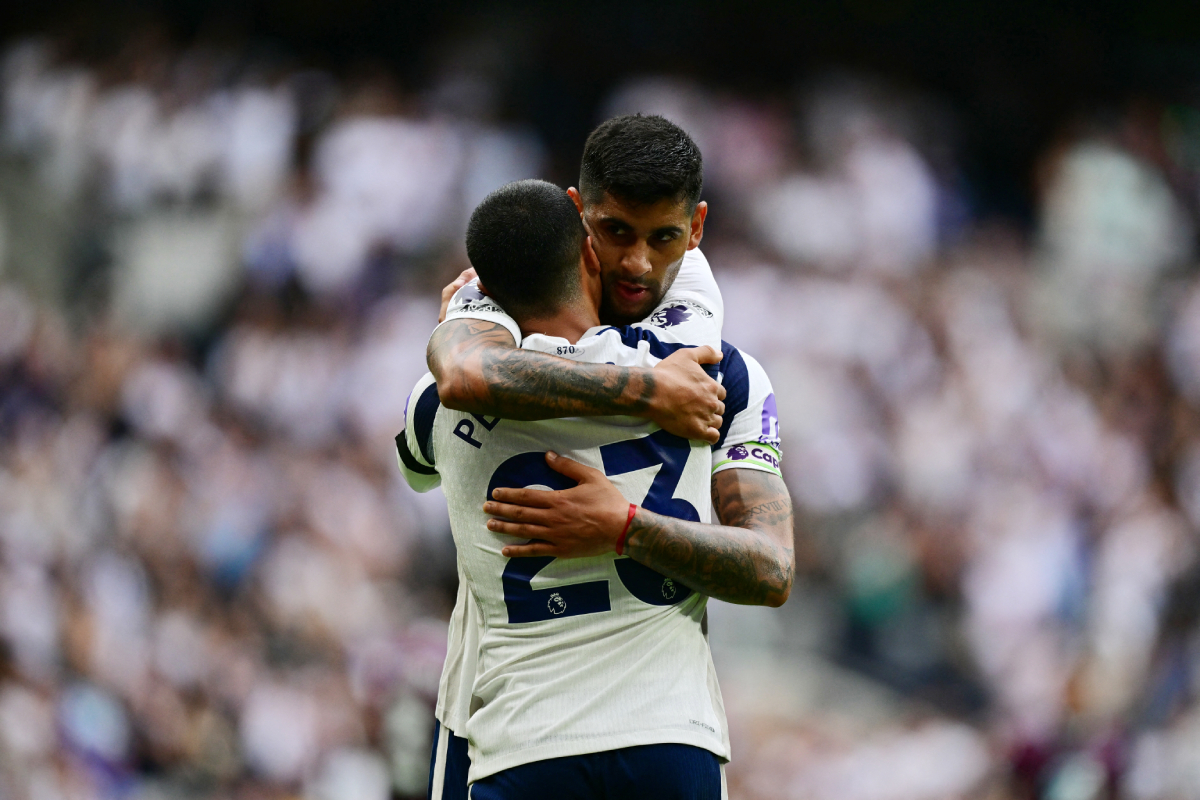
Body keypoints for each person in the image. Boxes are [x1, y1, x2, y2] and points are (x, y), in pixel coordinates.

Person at [420, 115, 793, 799]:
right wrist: (650, 392)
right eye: (615, 231)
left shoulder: (482, 337)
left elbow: (774, 570)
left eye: (664, 238)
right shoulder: (719, 375)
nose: (636, 264)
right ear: (574, 214)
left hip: (532, 735)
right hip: (585, 732)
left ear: (698, 227)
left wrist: (623, 525)